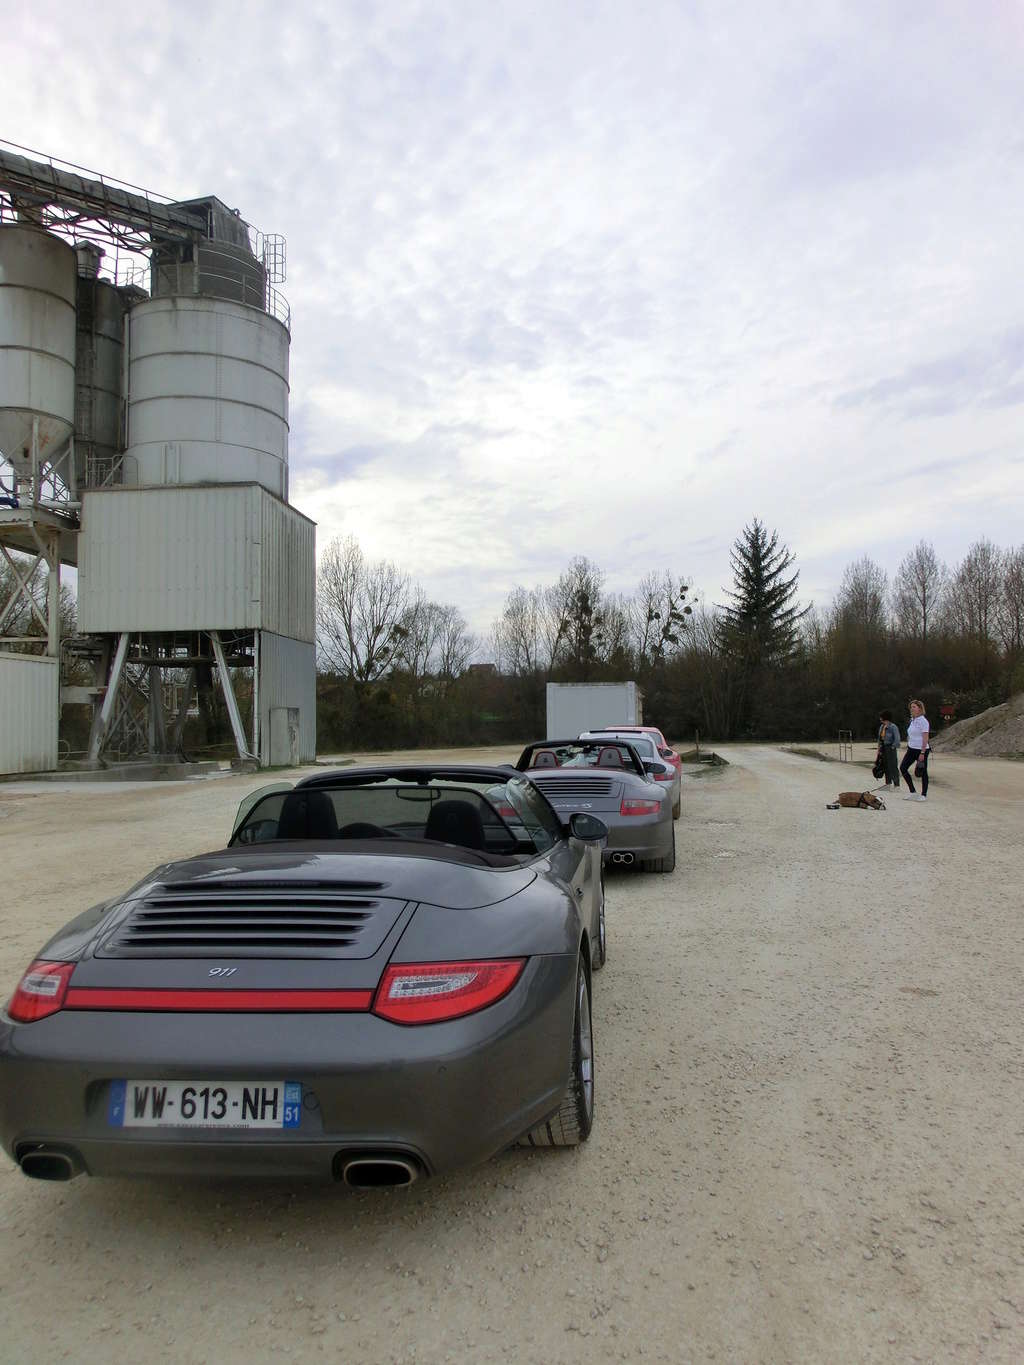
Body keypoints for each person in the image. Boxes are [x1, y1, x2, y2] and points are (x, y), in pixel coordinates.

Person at [900, 699, 930, 800]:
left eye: (914, 707)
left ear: (920, 709)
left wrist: (922, 752)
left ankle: (924, 794)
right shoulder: (912, 720)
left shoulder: (923, 721)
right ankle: (912, 791)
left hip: (921, 750)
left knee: (923, 771)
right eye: (911, 707)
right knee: (903, 768)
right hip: (911, 748)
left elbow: (925, 737)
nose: (912, 709)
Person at [877, 710, 900, 789]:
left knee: (893, 765)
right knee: (885, 765)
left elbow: (897, 738)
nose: (880, 718)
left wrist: (893, 746)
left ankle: (896, 784)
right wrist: (879, 748)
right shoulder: (882, 726)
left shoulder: (893, 727)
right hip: (883, 747)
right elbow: (879, 738)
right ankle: (888, 783)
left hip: (890, 747)